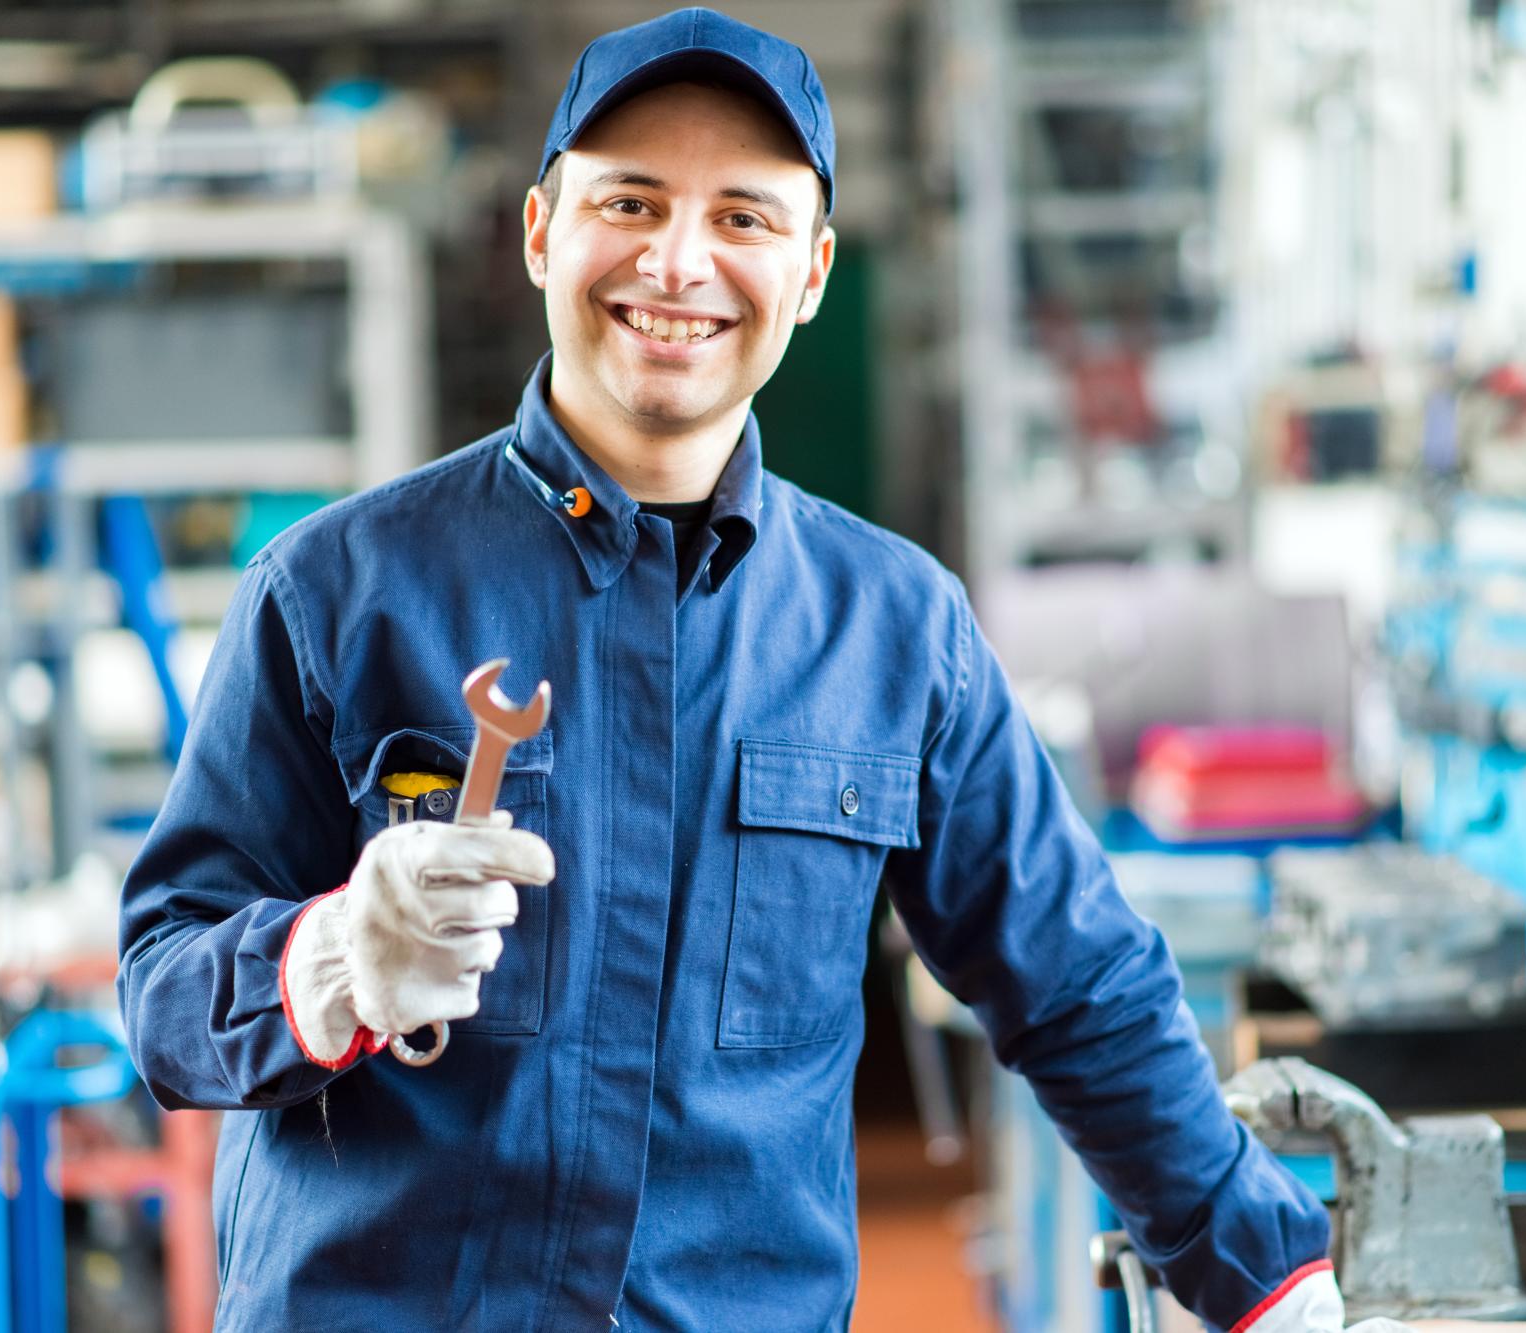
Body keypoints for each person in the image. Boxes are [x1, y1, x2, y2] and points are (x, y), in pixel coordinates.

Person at [119, 9, 1349, 1330]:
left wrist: (1272, 1283)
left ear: (813, 271)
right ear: (541, 231)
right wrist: (333, 960)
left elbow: (1079, 985)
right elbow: (164, 992)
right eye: (630, 202)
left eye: (744, 219)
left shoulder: (896, 631)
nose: (680, 260)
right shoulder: (335, 595)